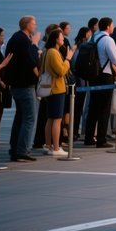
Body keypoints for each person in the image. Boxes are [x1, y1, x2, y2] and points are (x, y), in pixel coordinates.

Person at [83, 18, 116, 148]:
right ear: (108, 26)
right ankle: (101, 139)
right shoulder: (108, 39)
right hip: (105, 75)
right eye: (112, 25)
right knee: (104, 109)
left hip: (93, 75)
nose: (113, 27)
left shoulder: (94, 38)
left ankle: (89, 137)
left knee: (93, 108)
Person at [5, 15, 41, 162]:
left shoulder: (15, 38)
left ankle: (15, 149)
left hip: (16, 85)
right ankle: (22, 150)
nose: (35, 26)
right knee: (30, 118)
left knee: (20, 118)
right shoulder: (24, 40)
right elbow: (31, 61)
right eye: (34, 24)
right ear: (27, 25)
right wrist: (34, 44)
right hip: (25, 85)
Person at [40, 26, 74, 156]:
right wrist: (68, 59)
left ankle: (49, 145)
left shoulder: (47, 51)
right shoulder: (54, 52)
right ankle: (55, 147)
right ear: (55, 39)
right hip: (56, 89)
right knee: (57, 119)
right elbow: (61, 71)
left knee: (50, 118)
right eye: (61, 37)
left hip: (50, 89)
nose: (63, 39)